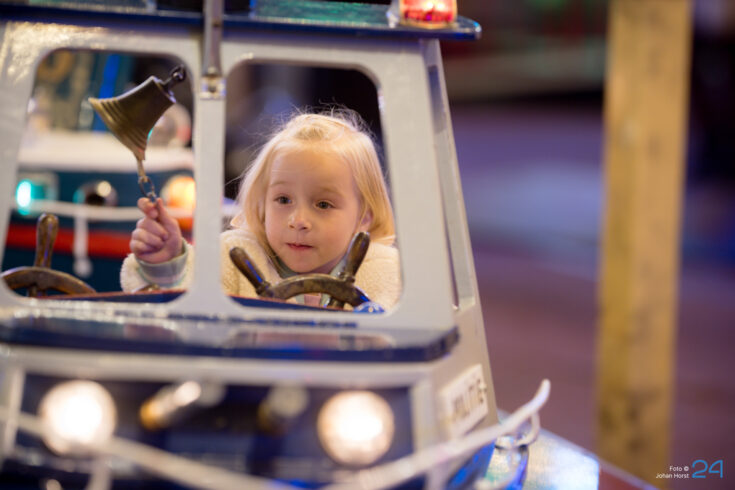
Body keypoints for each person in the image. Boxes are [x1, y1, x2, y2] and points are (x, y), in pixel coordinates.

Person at [120, 110, 400, 309]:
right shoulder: (233, 258)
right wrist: (167, 265)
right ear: (261, 204)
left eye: (323, 204)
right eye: (283, 200)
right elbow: (183, 307)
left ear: (364, 217)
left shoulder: (389, 276)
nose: (298, 221)